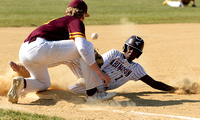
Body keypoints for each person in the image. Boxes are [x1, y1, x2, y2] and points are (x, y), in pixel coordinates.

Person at [7, 0, 116, 104]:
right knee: (86, 47)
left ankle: (22, 83)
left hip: (25, 51)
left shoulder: (58, 21)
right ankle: (93, 95)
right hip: (39, 49)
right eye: (84, 16)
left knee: (43, 83)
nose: (84, 19)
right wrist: (99, 72)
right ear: (82, 14)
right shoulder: (75, 21)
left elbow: (62, 56)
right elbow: (82, 48)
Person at [9, 35, 177, 97]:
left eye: (135, 52)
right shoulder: (114, 53)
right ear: (125, 47)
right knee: (70, 57)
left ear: (138, 55)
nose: (132, 53)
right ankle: (25, 69)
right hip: (90, 77)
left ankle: (27, 79)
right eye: (130, 49)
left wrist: (176, 89)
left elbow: (154, 84)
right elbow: (94, 64)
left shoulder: (136, 69)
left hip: (98, 87)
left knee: (74, 88)